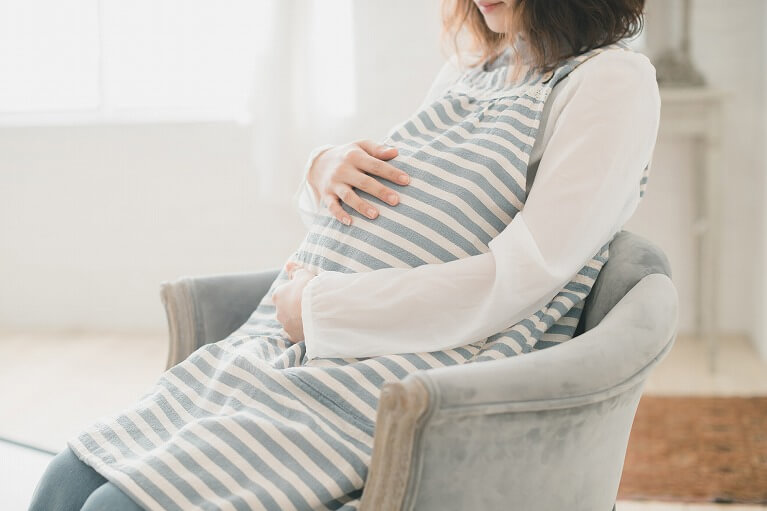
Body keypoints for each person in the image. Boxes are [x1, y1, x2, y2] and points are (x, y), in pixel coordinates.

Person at [29, 0, 659, 509]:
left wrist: (322, 308)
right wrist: (321, 169)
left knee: (116, 507)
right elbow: (399, 201)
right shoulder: (478, 68)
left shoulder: (610, 82)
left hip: (392, 366)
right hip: (281, 345)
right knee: (61, 482)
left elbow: (518, 279)